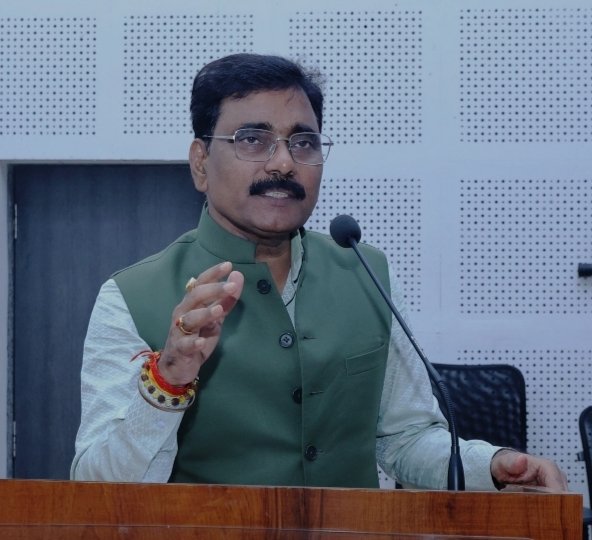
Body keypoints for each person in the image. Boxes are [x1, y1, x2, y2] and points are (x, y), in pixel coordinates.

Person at [71, 53, 567, 491]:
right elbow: (97, 484)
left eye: (303, 142)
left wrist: (491, 467)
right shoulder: (130, 296)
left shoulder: (366, 273)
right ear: (200, 162)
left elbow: (406, 437)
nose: (284, 163)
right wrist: (168, 380)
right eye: (253, 139)